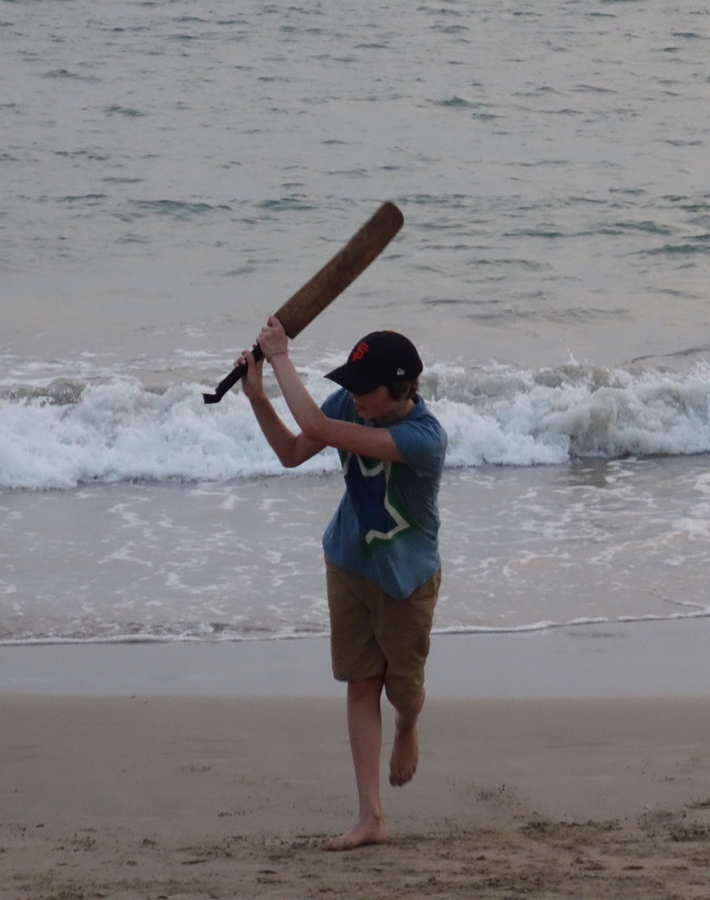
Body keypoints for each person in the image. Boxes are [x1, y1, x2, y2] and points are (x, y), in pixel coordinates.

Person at [237, 316, 447, 851]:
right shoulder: (352, 405)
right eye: (350, 384)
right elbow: (292, 451)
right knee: (359, 684)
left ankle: (407, 725)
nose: (353, 395)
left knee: (404, 694)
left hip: (406, 581)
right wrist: (258, 396)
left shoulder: (424, 439)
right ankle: (371, 816)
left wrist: (280, 356)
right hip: (348, 562)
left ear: (399, 390)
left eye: (364, 387)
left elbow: (318, 426)